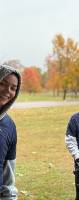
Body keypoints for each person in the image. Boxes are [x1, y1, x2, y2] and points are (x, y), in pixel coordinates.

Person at [0, 64, 21, 199]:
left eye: (13, 88)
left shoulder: (9, 126)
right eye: (3, 83)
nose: (8, 91)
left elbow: (8, 176)